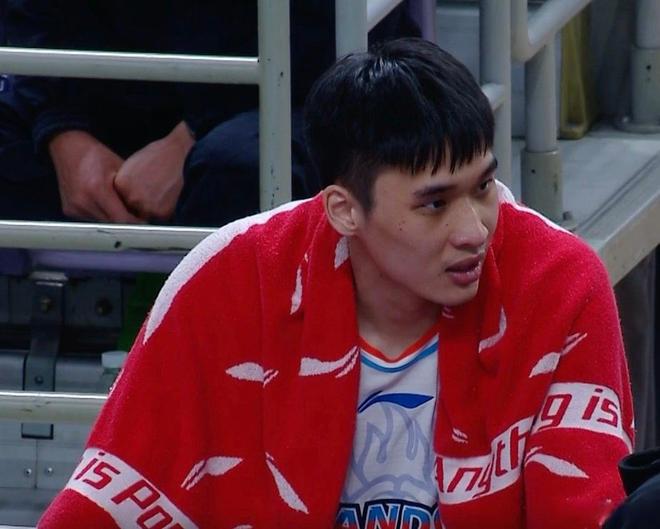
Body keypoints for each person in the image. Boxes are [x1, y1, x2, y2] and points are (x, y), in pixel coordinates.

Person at [37, 38, 633, 529]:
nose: (474, 230)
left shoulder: (559, 282)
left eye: (483, 188)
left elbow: (584, 512)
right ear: (344, 210)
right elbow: (103, 507)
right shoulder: (232, 280)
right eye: (434, 204)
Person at [0, 0, 418, 226]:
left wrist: (191, 135)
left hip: (295, 85)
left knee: (241, 171)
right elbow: (32, 15)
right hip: (107, 93)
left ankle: (239, 351)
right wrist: (63, 132)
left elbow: (326, 31)